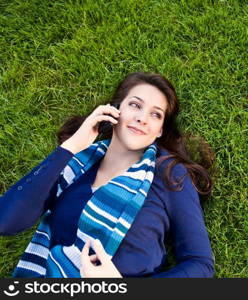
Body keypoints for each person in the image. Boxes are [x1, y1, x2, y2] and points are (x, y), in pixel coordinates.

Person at [0, 72, 215, 278]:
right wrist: (72, 146)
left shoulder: (169, 173)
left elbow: (200, 264)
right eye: (135, 105)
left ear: (159, 130)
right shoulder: (76, 167)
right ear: (114, 110)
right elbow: (6, 221)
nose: (142, 118)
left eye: (156, 114)